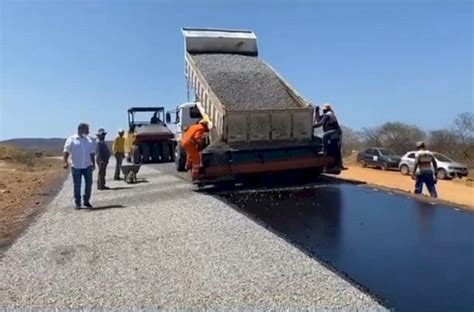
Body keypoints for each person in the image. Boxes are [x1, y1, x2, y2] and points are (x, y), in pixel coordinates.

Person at [63, 123, 96, 209]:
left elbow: (92, 152)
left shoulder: (89, 140)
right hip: (76, 166)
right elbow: (66, 151)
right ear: (81, 129)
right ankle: (78, 202)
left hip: (87, 165)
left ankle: (86, 201)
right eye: (87, 129)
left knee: (89, 183)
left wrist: (93, 163)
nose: (88, 131)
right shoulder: (72, 139)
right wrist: (65, 162)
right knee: (77, 184)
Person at [313, 103, 344, 170]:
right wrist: (317, 112)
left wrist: (312, 127)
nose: (323, 110)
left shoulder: (329, 114)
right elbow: (318, 120)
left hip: (335, 132)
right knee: (333, 147)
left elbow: (320, 123)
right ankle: (334, 164)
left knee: (325, 137)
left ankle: (324, 150)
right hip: (331, 132)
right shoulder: (325, 115)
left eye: (324, 109)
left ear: (327, 109)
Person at [182, 116, 210, 181]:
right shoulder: (201, 128)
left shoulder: (194, 126)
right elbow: (197, 137)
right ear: (205, 124)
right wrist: (200, 144)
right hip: (189, 143)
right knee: (196, 158)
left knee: (190, 154)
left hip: (184, 141)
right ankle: (195, 175)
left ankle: (188, 166)